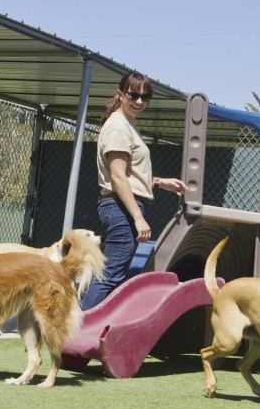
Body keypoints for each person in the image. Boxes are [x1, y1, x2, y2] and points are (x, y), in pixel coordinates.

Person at [80, 72, 188, 310]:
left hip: (124, 206)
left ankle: (87, 326)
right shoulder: (118, 127)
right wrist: (138, 218)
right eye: (133, 95)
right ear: (121, 94)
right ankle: (79, 330)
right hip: (122, 209)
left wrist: (158, 182)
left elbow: (128, 175)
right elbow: (118, 177)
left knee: (111, 275)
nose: (139, 101)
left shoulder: (127, 123)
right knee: (110, 277)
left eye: (145, 97)